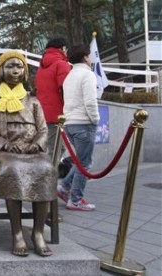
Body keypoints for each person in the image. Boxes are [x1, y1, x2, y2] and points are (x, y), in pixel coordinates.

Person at [0, 50, 57, 257]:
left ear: (25, 71)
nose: (15, 70)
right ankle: (18, 234)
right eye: (10, 66)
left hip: (31, 151)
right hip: (2, 153)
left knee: (46, 169)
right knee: (12, 170)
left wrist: (36, 144)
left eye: (19, 66)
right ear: (0, 71)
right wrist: (5, 144)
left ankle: (38, 233)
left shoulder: (33, 101)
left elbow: (42, 129)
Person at [56, 45, 100, 211]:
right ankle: (76, 199)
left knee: (81, 161)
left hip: (70, 124)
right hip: (84, 123)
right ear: (85, 58)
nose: (91, 59)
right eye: (89, 56)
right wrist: (95, 119)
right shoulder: (87, 74)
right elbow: (90, 101)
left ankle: (64, 187)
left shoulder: (70, 76)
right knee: (85, 164)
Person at [34, 38, 71, 159]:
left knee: (56, 147)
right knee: (55, 149)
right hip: (58, 114)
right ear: (62, 49)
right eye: (66, 49)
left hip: (44, 113)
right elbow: (66, 90)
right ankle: (48, 176)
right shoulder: (61, 64)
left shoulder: (41, 67)